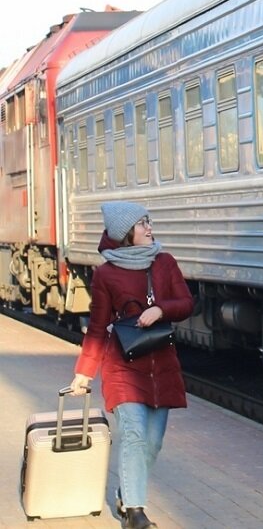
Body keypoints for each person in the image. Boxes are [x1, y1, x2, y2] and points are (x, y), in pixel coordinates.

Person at [69, 201, 194, 529]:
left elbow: (186, 303)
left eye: (148, 222)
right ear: (125, 234)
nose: (149, 228)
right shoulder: (105, 274)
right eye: (142, 224)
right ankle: (135, 513)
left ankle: (127, 491)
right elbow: (97, 327)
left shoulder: (164, 263)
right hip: (123, 366)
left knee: (152, 443)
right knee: (135, 436)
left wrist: (161, 310)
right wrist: (84, 372)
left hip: (161, 364)